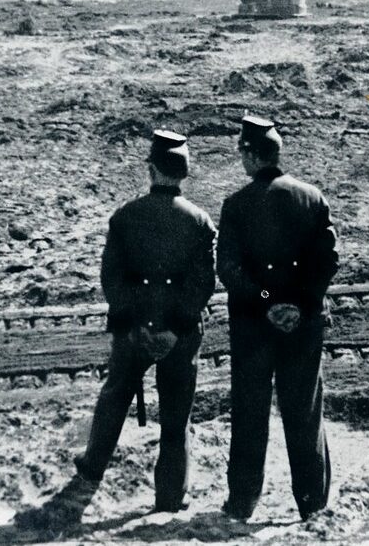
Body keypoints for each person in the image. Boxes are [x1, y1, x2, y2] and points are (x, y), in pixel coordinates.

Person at [73, 130, 217, 514]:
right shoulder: (201, 222)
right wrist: (174, 328)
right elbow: (203, 284)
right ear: (183, 173)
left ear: (151, 170)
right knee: (176, 413)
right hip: (181, 335)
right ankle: (170, 497)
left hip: (132, 331)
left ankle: (90, 473)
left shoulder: (125, 216)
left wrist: (136, 325)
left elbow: (112, 279)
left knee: (115, 396)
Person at [218, 115, 339, 522]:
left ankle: (242, 503)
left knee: (250, 413)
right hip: (303, 325)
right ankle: (312, 504)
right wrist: (299, 305)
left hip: (254, 327)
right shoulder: (312, 197)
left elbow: (230, 270)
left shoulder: (236, 205)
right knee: (304, 411)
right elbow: (327, 262)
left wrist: (269, 300)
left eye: (241, 152)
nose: (240, 158)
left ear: (252, 156)